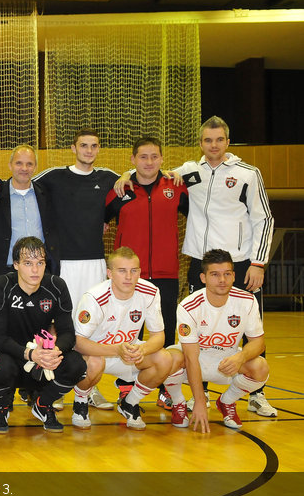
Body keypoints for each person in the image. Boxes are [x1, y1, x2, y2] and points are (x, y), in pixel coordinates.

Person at [115, 116, 275, 416]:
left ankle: (256, 393)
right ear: (200, 143)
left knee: (248, 328)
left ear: (227, 141)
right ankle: (185, 394)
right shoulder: (188, 173)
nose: (213, 145)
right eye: (207, 140)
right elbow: (149, 172)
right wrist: (124, 174)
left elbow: (263, 219)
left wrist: (258, 262)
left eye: (219, 140)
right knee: (193, 330)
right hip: (200, 264)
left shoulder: (248, 174)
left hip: (239, 264)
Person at [0, 128, 118, 411]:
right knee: (20, 328)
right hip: (12, 271)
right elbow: (13, 182)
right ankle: (29, 384)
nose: (24, 169)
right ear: (73, 148)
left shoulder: (49, 189)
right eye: (83, 145)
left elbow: (130, 182)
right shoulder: (42, 180)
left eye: (94, 145)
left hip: (54, 264)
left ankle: (85, 385)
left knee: (74, 323)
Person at [104, 137, 188, 409]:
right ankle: (125, 387)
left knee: (165, 332)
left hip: (167, 273)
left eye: (154, 156)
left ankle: (166, 389)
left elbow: (199, 216)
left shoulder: (176, 188)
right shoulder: (119, 190)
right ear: (132, 159)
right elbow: (100, 224)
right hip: (130, 277)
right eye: (143, 157)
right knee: (129, 331)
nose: (149, 162)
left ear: (162, 159)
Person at [163, 249, 270, 432]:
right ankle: (179, 403)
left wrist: (241, 357)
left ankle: (226, 402)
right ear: (203, 278)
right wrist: (199, 402)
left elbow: (259, 342)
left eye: (227, 274)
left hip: (227, 362)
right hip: (193, 362)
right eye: (215, 275)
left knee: (261, 367)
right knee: (167, 359)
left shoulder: (247, 300)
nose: (222, 280)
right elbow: (190, 357)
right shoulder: (188, 306)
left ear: (234, 276)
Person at [0, 237, 85, 433]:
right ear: (16, 265)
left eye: (40, 263)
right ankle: (1, 407)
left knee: (77, 365)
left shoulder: (56, 286)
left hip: (42, 362)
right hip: (13, 358)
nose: (35, 270)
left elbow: (68, 334)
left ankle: (43, 403)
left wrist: (53, 352)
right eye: (28, 263)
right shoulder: (1, 285)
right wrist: (30, 354)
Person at [71, 247, 173, 431]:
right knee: (94, 363)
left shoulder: (150, 292)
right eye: (122, 271)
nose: (128, 276)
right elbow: (78, 342)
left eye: (134, 271)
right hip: (97, 353)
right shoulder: (94, 297)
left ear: (140, 272)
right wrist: (116, 350)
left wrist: (142, 350)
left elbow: (159, 336)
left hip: (128, 353)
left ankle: (129, 403)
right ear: (109, 273)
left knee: (165, 359)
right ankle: (80, 402)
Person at [0, 145, 59, 284]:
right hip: (4, 271)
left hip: (40, 271)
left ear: (35, 167)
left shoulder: (47, 194)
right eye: (19, 163)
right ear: (10, 165)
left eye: (29, 164)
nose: (24, 168)